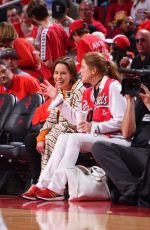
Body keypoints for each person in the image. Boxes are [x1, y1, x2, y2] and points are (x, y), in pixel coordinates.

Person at [21, 52, 129, 201]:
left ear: (93, 70)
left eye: (83, 67)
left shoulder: (113, 86)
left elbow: (122, 120)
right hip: (100, 137)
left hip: (119, 138)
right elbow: (74, 120)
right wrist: (57, 98)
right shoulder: (89, 92)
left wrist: (94, 126)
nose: (80, 71)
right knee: (66, 137)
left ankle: (56, 188)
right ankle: (42, 184)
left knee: (74, 138)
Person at [24, 56, 85, 185]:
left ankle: (49, 184)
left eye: (63, 73)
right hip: (60, 129)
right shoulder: (60, 90)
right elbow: (52, 117)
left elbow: (72, 121)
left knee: (51, 138)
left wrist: (46, 136)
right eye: (56, 73)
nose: (58, 77)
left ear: (72, 74)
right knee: (31, 139)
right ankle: (36, 180)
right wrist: (41, 136)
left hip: (75, 131)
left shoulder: (80, 90)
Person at [91, 84, 150, 207]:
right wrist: (130, 101)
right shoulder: (144, 100)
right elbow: (127, 133)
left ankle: (129, 193)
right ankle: (132, 189)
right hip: (137, 152)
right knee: (99, 147)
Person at [27, 0, 73, 69]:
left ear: (33, 17)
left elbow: (48, 63)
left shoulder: (45, 33)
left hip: (52, 76)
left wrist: (37, 55)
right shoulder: (59, 26)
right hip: (63, 71)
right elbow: (71, 47)